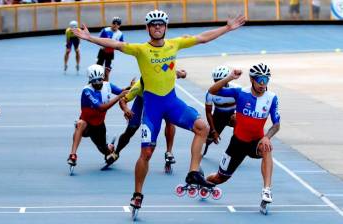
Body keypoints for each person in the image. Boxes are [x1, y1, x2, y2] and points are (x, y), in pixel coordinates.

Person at [73, 10, 245, 210]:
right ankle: (137, 194)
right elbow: (116, 45)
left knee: (202, 128)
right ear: (147, 28)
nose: (157, 27)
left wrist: (227, 28)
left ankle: (193, 172)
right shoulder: (140, 49)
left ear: (165, 27)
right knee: (146, 153)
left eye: (160, 24)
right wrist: (89, 38)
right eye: (153, 24)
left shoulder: (174, 44)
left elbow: (202, 38)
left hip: (172, 103)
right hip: (152, 109)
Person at [206, 63, 280, 204]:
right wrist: (229, 78)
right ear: (252, 79)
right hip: (237, 144)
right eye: (260, 80)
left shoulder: (272, 98)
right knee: (219, 179)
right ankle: (204, 181)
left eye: (266, 79)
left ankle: (267, 189)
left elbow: (276, 124)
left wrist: (266, 136)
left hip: (255, 142)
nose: (263, 84)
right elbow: (212, 90)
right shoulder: (240, 93)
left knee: (267, 147)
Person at [106, 69, 187, 168]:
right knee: (132, 128)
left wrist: (183, 74)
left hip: (161, 98)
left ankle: (169, 152)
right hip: (142, 100)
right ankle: (116, 152)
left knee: (170, 119)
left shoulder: (164, 77)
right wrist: (126, 109)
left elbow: (178, 72)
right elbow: (122, 101)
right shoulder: (138, 86)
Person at [67, 64, 128, 167]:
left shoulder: (108, 85)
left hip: (99, 126)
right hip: (87, 125)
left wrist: (132, 86)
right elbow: (101, 108)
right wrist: (119, 97)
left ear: (102, 78)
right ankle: (73, 155)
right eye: (94, 81)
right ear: (90, 80)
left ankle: (110, 147)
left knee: (105, 151)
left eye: (99, 80)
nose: (97, 83)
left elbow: (123, 91)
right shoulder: (87, 91)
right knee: (79, 123)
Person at [203, 65, 239, 156]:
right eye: (216, 81)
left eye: (221, 80)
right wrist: (213, 131)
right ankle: (207, 144)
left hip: (232, 116)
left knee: (236, 119)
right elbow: (208, 112)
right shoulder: (210, 93)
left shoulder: (236, 90)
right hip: (218, 117)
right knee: (208, 139)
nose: (218, 83)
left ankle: (234, 146)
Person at [96, 16, 124, 81]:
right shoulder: (105, 30)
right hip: (102, 51)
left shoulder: (120, 34)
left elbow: (121, 44)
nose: (115, 25)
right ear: (112, 23)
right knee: (98, 68)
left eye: (118, 24)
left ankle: (106, 84)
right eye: (114, 23)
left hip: (110, 53)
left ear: (119, 26)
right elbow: (99, 40)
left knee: (107, 71)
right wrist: (104, 46)